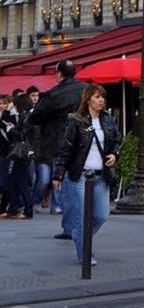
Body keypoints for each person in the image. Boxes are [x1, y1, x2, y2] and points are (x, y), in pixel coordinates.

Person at [52, 84, 120, 264]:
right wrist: (58, 175)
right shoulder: (77, 120)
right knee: (82, 216)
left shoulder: (108, 120)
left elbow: (116, 141)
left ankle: (77, 234)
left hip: (100, 175)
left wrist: (115, 154)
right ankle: (85, 255)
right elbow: (65, 149)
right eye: (97, 97)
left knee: (101, 215)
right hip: (79, 175)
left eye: (102, 97)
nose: (101, 100)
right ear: (88, 99)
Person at [29, 59, 84, 231]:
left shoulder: (54, 94)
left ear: (59, 73)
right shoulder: (85, 89)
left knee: (61, 179)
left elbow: (35, 117)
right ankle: (66, 218)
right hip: (82, 141)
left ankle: (69, 223)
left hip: (57, 141)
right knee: (73, 181)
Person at [3, 94, 35, 220]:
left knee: (21, 183)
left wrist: (10, 130)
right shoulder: (28, 116)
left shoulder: (26, 117)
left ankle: (28, 210)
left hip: (22, 154)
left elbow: (21, 135)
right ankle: (13, 209)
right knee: (14, 182)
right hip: (25, 153)